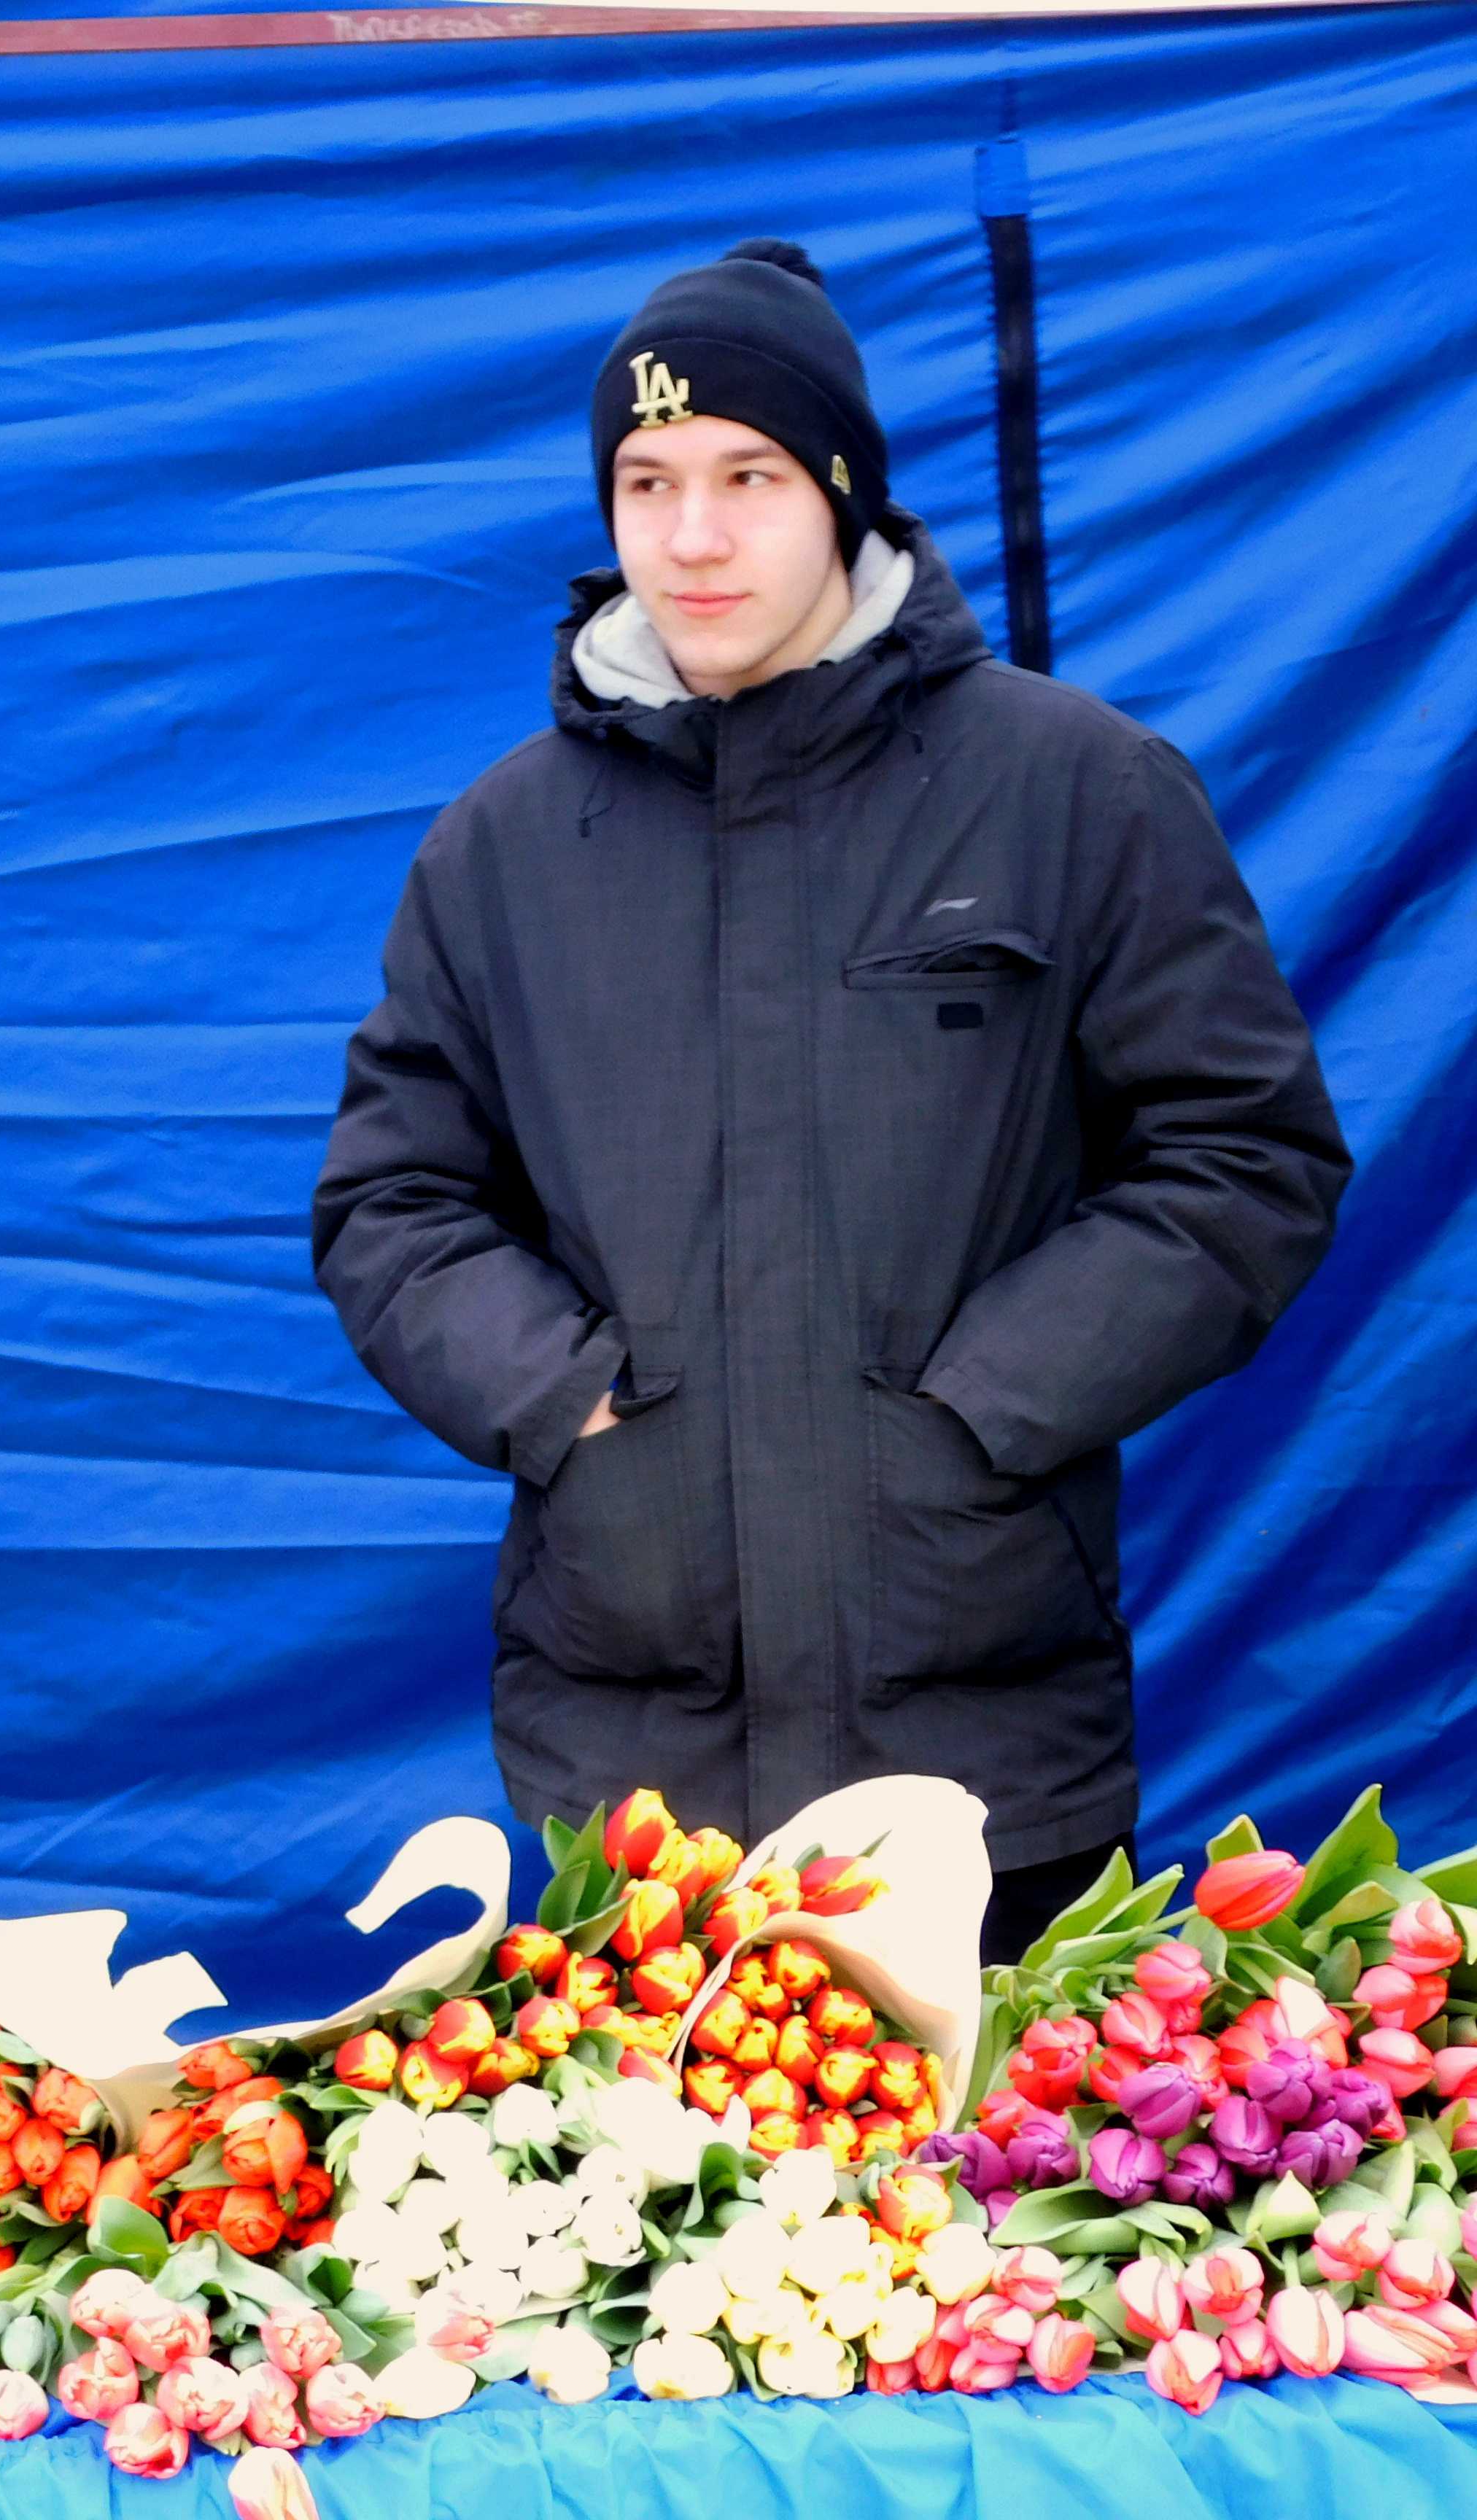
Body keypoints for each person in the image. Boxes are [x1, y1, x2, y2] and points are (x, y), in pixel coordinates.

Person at [310, 241, 1349, 1964]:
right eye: (647, 484)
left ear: (846, 495)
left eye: (749, 478)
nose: (694, 537)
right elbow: (390, 1203)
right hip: (625, 1786)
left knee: (991, 2228)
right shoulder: (502, 848)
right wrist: (565, 1393)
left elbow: (1244, 1162)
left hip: (981, 1753)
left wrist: (983, 1402)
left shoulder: (1075, 791)